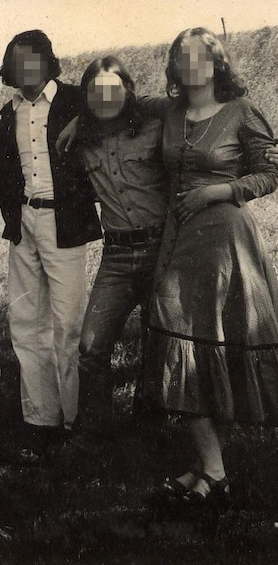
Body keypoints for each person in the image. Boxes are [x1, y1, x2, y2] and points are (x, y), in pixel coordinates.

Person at [141, 28, 278, 504]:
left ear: (217, 62)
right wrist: (77, 124)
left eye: (199, 57)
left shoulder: (241, 111)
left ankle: (213, 471)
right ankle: (207, 466)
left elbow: (270, 172)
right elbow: (113, 104)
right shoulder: (170, 110)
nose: (190, 64)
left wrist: (218, 190)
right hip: (179, 238)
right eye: (181, 56)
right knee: (182, 338)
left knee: (199, 337)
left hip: (224, 240)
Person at [0, 30, 102, 458]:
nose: (24, 71)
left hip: (66, 223)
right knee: (26, 322)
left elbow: (126, 109)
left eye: (31, 62)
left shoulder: (78, 100)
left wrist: (85, 118)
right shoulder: (8, 111)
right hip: (23, 223)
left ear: (47, 62)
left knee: (68, 324)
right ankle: (41, 421)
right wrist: (9, 215)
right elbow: (5, 170)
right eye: (16, 63)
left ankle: (75, 422)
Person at [64, 57, 169, 454]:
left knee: (157, 339)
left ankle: (149, 423)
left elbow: (176, 105)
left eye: (113, 88)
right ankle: (92, 432)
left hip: (161, 248)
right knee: (91, 345)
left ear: (127, 89)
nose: (104, 97)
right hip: (117, 257)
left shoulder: (155, 128)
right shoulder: (82, 141)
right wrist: (77, 121)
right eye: (95, 90)